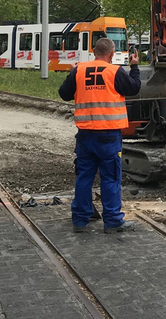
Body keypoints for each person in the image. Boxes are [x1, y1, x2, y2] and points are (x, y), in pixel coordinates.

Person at [58, 38, 141, 233]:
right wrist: (134, 67)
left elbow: (64, 94)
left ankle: (80, 219)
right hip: (109, 135)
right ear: (111, 54)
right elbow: (134, 88)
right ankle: (112, 220)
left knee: (84, 176)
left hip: (85, 135)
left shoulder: (79, 70)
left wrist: (71, 72)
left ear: (93, 51)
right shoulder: (114, 71)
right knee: (110, 177)